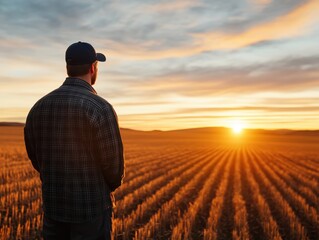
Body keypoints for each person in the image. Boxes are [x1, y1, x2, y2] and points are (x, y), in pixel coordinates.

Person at [24, 41, 125, 240]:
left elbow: (36, 158)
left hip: (54, 208)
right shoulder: (100, 108)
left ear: (68, 68)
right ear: (92, 68)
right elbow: (113, 168)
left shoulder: (38, 107)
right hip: (91, 212)